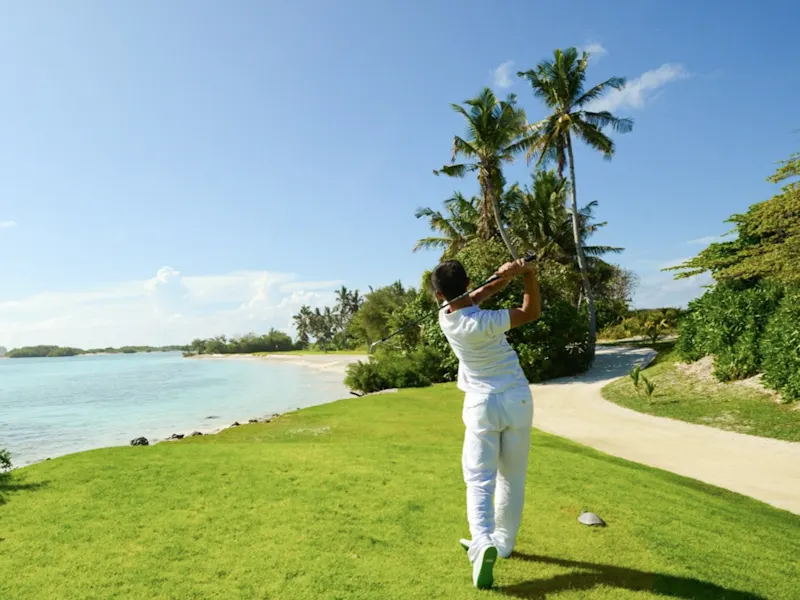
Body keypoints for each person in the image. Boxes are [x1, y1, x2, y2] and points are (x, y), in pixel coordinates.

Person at [432, 257, 541, 589]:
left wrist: (502, 275)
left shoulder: (445, 316)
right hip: (517, 399)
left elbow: (480, 294)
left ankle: (482, 542)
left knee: (479, 479)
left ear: (439, 295)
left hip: (482, 405)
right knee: (512, 478)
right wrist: (527, 275)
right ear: (467, 284)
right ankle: (502, 543)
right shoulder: (489, 320)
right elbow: (530, 312)